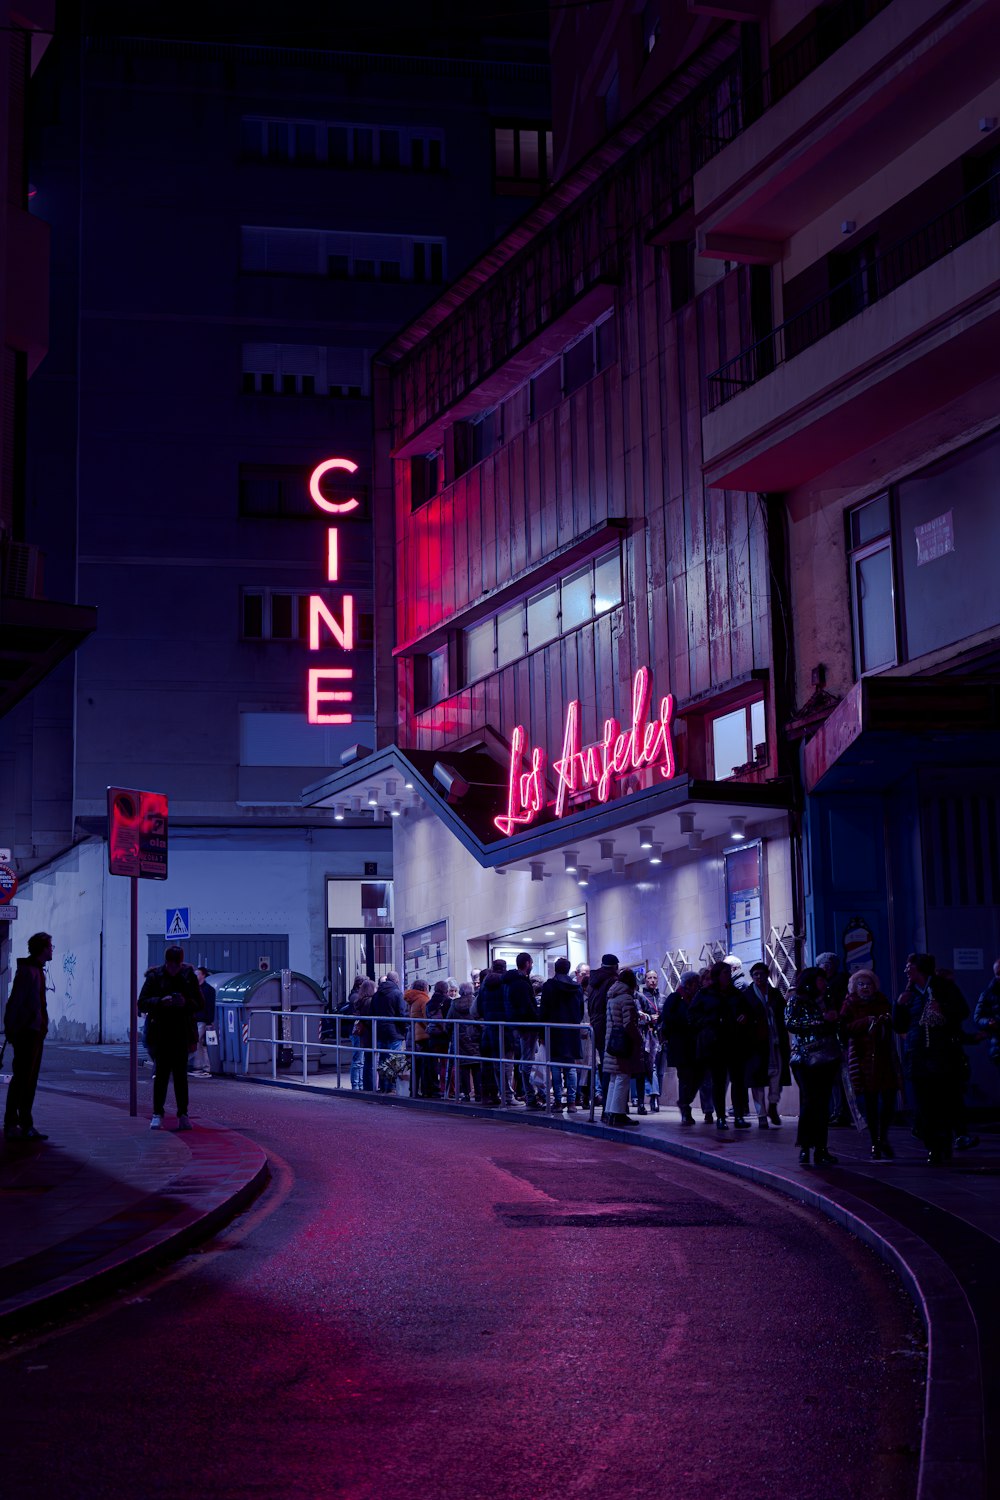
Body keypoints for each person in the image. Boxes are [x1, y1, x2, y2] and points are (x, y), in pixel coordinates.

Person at [894, 953, 969, 1165]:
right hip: (917, 1056)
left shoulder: (943, 987)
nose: (906, 970)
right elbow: (899, 1026)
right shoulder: (908, 994)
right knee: (923, 1104)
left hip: (942, 1054)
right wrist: (899, 1006)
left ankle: (943, 1145)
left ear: (920, 968)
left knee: (942, 1102)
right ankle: (932, 1145)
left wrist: (943, 1009)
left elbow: (963, 1010)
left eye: (910, 967)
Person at [138, 944, 202, 1131]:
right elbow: (141, 1003)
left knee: (181, 1077)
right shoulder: (154, 977)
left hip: (181, 1032)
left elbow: (199, 1003)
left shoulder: (188, 976)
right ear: (166, 962)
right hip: (161, 1033)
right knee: (161, 1076)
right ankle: (158, 1113)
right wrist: (160, 1002)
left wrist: (185, 1002)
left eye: (177, 965)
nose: (173, 969)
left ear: (181, 963)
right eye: (170, 965)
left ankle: (183, 1114)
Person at [785, 966, 841, 1167]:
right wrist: (820, 1020)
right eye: (820, 980)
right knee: (809, 1101)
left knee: (823, 1103)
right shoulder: (796, 999)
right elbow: (791, 1023)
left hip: (827, 1056)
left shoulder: (827, 999)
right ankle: (805, 1146)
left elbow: (836, 1025)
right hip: (804, 1058)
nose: (824, 983)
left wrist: (835, 1020)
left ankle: (821, 1148)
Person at [841, 968, 899, 1159]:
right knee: (869, 1101)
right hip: (862, 1057)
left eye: (868, 984)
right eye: (861, 984)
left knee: (888, 1100)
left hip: (884, 1056)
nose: (865, 987)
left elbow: (894, 1022)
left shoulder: (882, 1001)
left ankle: (884, 1137)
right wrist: (865, 1022)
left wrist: (885, 1021)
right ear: (854, 987)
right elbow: (845, 1028)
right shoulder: (849, 1004)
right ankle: (875, 1141)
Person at [3, 931, 53, 1142]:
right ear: (41, 948)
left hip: (35, 1032)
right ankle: (13, 1123)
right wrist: (12, 1030)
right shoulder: (28, 972)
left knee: (28, 1081)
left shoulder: (37, 971)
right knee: (22, 1080)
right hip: (27, 1033)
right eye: (50, 946)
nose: (52, 949)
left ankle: (25, 1124)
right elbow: (15, 1002)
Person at [689, 961, 736, 1133]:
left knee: (730, 1080)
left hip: (731, 1040)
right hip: (713, 1042)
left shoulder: (733, 992)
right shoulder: (705, 994)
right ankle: (719, 1116)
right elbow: (693, 1015)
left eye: (729, 973)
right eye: (725, 973)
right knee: (715, 1080)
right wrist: (708, 1023)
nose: (728, 976)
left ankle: (735, 1115)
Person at [747, 961, 790, 1127]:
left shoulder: (774, 993)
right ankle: (761, 1114)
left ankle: (773, 1105)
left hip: (775, 1042)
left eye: (762, 974)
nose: (759, 977)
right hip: (756, 1043)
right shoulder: (748, 995)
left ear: (767, 975)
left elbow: (783, 1013)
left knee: (776, 1078)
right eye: (756, 974)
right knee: (757, 1080)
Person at [539, 957, 584, 1111]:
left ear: (555, 969)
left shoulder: (549, 986)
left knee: (556, 1067)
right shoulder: (577, 987)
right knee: (570, 1067)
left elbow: (543, 1010)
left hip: (554, 1031)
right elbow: (581, 1010)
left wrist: (541, 1032)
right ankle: (571, 1102)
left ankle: (558, 1101)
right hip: (571, 1031)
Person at [659, 969, 701, 1125]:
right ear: (689, 984)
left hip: (695, 1045)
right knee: (685, 1077)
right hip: (680, 1046)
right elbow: (668, 1019)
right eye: (697, 983)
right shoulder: (675, 998)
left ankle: (684, 1102)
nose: (699, 986)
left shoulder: (697, 998)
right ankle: (685, 1108)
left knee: (697, 1077)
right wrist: (686, 1022)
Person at [603, 968, 643, 1128]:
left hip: (612, 1043)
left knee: (614, 1078)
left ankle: (610, 1112)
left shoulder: (612, 997)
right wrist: (638, 1039)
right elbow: (628, 1024)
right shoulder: (626, 998)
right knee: (623, 1077)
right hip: (624, 1044)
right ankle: (618, 1113)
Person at [505, 952, 544, 1109]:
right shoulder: (521, 983)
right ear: (527, 963)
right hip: (527, 1026)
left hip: (517, 1025)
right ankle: (531, 1097)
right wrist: (537, 1021)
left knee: (524, 1061)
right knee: (527, 1062)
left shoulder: (509, 982)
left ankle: (531, 1095)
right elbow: (527, 1006)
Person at [816, 951, 851, 1125]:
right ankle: (838, 1111)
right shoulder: (821, 986)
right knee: (834, 1077)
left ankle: (842, 1112)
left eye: (828, 964)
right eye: (824, 964)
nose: (826, 967)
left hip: (839, 1032)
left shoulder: (840, 982)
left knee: (841, 1074)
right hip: (828, 1034)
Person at [473, 958, 510, 1105]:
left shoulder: (484, 985)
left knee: (488, 1063)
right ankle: (505, 1096)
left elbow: (479, 1008)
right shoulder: (505, 983)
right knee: (504, 1063)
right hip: (503, 1028)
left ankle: (487, 1095)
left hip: (488, 1028)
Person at [587, 953, 620, 1108]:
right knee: (612, 1067)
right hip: (608, 1026)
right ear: (615, 967)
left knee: (604, 1065)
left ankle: (607, 1101)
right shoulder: (612, 980)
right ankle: (611, 1104)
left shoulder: (592, 982)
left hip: (596, 1025)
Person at [369, 970, 407, 1093]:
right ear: (396, 980)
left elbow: (372, 1013)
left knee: (382, 1059)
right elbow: (401, 1014)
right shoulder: (397, 994)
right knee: (394, 1060)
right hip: (394, 1032)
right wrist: (404, 1030)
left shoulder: (376, 995)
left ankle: (382, 1086)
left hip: (380, 1031)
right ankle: (392, 1087)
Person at [448, 981, 482, 1102]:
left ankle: (466, 1093)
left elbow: (449, 1021)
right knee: (477, 1066)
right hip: (475, 1038)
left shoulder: (454, 1003)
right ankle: (479, 1093)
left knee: (463, 1067)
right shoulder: (476, 1001)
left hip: (460, 1039)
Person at [405, 978, 436, 1097]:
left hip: (413, 1035)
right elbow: (426, 1017)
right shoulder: (423, 999)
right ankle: (425, 1090)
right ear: (425, 988)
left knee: (416, 1064)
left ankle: (413, 1090)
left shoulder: (411, 999)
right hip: (423, 1035)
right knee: (424, 1064)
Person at [426, 979, 452, 1096]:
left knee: (433, 1062)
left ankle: (433, 1087)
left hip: (432, 1034)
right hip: (444, 1035)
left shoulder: (429, 1003)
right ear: (445, 990)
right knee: (444, 1063)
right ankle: (444, 1088)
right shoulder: (448, 1002)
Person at [189, 966, 216, 1076]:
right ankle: (203, 1067)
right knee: (200, 1044)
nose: (195, 976)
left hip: (202, 1020)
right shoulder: (194, 989)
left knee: (197, 1041)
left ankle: (201, 1067)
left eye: (197, 974)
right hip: (195, 1019)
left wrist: (210, 1021)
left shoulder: (208, 990)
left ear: (203, 975)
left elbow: (210, 1006)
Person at [350, 978, 376, 1089]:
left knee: (360, 1060)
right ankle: (358, 1085)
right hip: (365, 1033)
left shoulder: (358, 1000)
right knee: (360, 1060)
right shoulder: (368, 1002)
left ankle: (358, 1084)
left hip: (359, 1032)